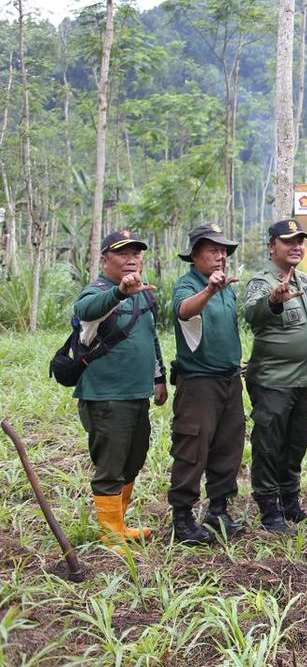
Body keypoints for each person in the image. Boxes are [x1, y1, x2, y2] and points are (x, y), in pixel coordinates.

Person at [73, 230, 167, 552]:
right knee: (111, 465)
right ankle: (110, 535)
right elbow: (86, 310)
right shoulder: (97, 291)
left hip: (137, 394)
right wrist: (119, 293)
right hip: (106, 397)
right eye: (122, 253)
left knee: (134, 458)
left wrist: (159, 377)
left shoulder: (144, 294)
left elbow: (150, 337)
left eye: (136, 253)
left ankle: (119, 524)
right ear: (104, 259)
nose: (131, 259)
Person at [169, 223, 244, 546]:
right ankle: (182, 518)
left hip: (229, 380)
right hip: (199, 381)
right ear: (195, 254)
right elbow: (185, 311)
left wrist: (218, 288)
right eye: (213, 250)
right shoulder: (187, 285)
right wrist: (209, 290)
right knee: (192, 448)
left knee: (228, 446)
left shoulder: (227, 287)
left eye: (224, 250)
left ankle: (218, 510)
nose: (221, 256)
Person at [243, 219, 307, 534]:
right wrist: (273, 301)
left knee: (296, 443)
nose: (296, 246)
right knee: (269, 445)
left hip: (301, 380)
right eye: (289, 241)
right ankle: (269, 511)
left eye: (300, 241)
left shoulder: (304, 280)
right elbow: (253, 314)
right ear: (272, 246)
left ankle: (291, 503)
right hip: (273, 380)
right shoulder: (261, 283)